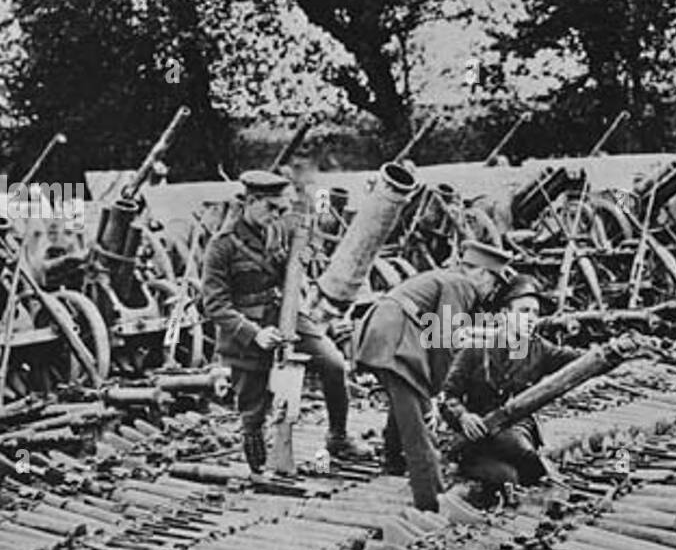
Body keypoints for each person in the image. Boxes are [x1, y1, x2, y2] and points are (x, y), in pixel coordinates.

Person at [201, 170, 367, 477]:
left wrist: (308, 251)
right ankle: (260, 469)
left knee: (333, 364)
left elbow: (307, 248)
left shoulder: (278, 229)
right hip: (247, 332)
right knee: (253, 411)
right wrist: (254, 334)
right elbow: (215, 305)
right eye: (272, 208)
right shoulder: (221, 246)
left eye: (282, 209)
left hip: (286, 315)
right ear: (251, 201)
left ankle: (338, 437)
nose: (278, 215)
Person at [354, 240, 514, 510]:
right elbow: (444, 340)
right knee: (417, 423)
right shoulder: (461, 285)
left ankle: (393, 463)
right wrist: (437, 393)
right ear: (481, 273)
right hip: (397, 338)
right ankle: (431, 501)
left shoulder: (446, 278)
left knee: (405, 404)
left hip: (387, 332)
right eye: (494, 282)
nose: (492, 291)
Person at [437, 274, 582, 504]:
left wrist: (614, 350)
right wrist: (463, 416)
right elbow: (448, 396)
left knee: (514, 455)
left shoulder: (539, 349)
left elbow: (581, 361)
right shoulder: (476, 349)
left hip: (517, 433)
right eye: (524, 311)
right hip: (479, 436)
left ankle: (540, 476)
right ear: (504, 314)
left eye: (535, 313)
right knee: (505, 477)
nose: (531, 319)